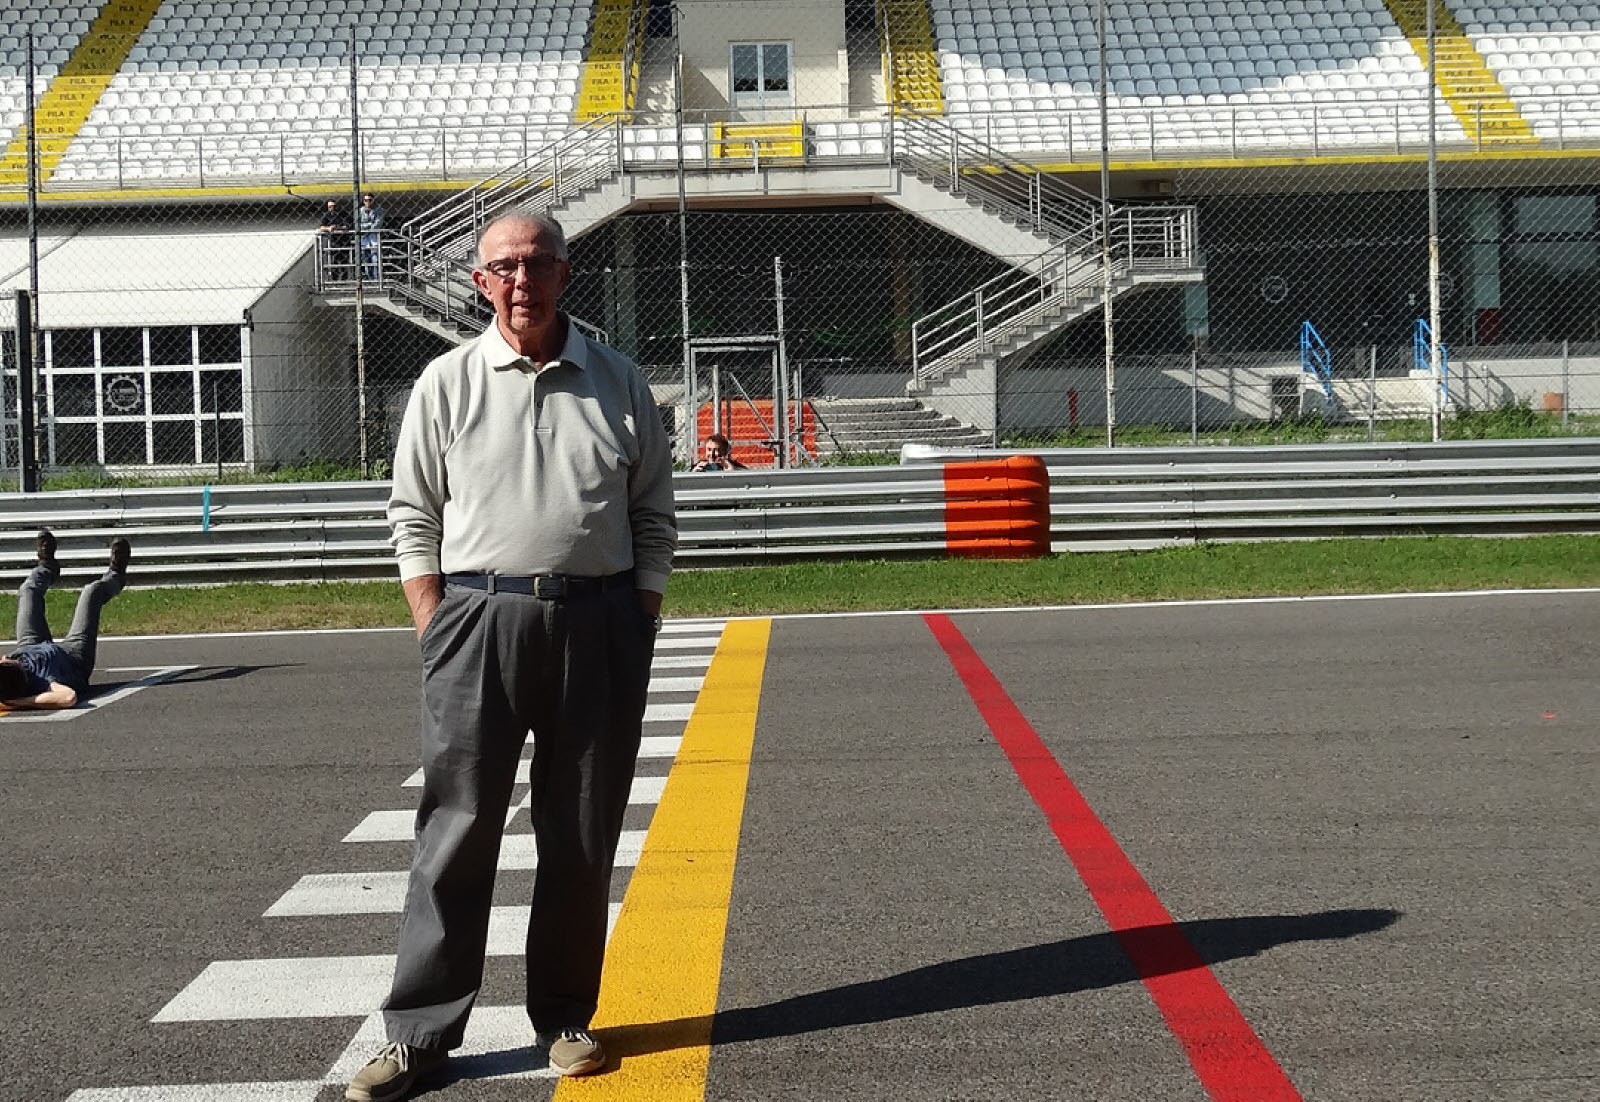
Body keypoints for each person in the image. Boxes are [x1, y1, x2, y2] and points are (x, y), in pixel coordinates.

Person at [347, 210, 676, 1102]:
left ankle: (563, 1015)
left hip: (599, 624)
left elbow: (652, 514)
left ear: (566, 274)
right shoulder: (446, 383)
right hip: (476, 624)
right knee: (456, 829)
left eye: (537, 263)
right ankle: (420, 1033)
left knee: (579, 830)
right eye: (504, 266)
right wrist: (435, 619)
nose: (521, 279)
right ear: (480, 282)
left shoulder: (618, 382)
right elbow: (411, 514)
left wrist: (638, 616)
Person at [0, 530, 132, 712]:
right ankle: (116, 576)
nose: (5, 656)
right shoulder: (44, 681)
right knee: (91, 592)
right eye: (6, 661)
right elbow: (68, 698)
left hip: (29, 645)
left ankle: (47, 567)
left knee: (28, 590)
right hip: (73, 656)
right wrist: (17, 702)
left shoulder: (14, 666)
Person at [317, 200, 352, 281]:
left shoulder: (343, 214)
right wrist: (328, 228)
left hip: (344, 241)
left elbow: (347, 226)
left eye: (333, 206)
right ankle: (334, 280)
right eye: (329, 207)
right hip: (333, 241)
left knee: (344, 261)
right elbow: (321, 227)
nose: (332, 208)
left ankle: (345, 280)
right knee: (333, 261)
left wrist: (336, 227)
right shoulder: (327, 215)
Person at [357, 193, 386, 282]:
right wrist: (369, 225)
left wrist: (366, 227)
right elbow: (357, 225)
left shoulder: (379, 210)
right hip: (363, 237)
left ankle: (377, 278)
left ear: (373, 201)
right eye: (366, 200)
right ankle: (369, 278)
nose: (368, 202)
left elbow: (378, 224)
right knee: (365, 259)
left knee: (375, 258)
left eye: (370, 200)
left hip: (374, 236)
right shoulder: (359, 211)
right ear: (363, 201)